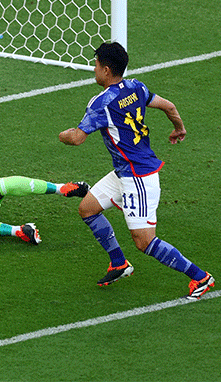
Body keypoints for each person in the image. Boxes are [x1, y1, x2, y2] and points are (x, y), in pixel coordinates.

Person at [59, 41, 213, 300]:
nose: (94, 69)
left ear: (106, 70)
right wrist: (179, 128)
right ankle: (119, 263)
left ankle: (201, 277)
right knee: (87, 209)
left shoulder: (102, 103)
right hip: (124, 172)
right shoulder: (136, 87)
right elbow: (169, 106)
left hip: (137, 177)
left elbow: (76, 138)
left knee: (144, 241)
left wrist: (62, 135)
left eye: (96, 64)